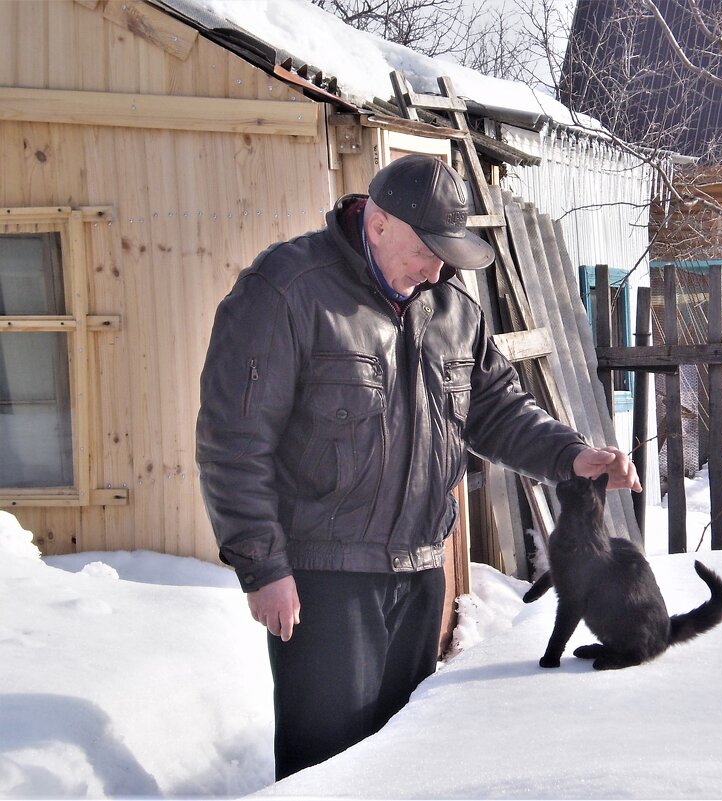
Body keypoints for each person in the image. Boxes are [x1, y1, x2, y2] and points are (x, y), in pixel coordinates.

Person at [195, 154, 641, 780]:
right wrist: (262, 566)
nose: (439, 266)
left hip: (420, 573)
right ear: (377, 223)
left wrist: (570, 454)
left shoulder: (453, 309)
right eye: (428, 248)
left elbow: (496, 410)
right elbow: (232, 440)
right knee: (327, 770)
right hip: (325, 579)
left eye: (448, 251)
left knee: (400, 763)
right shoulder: (288, 290)